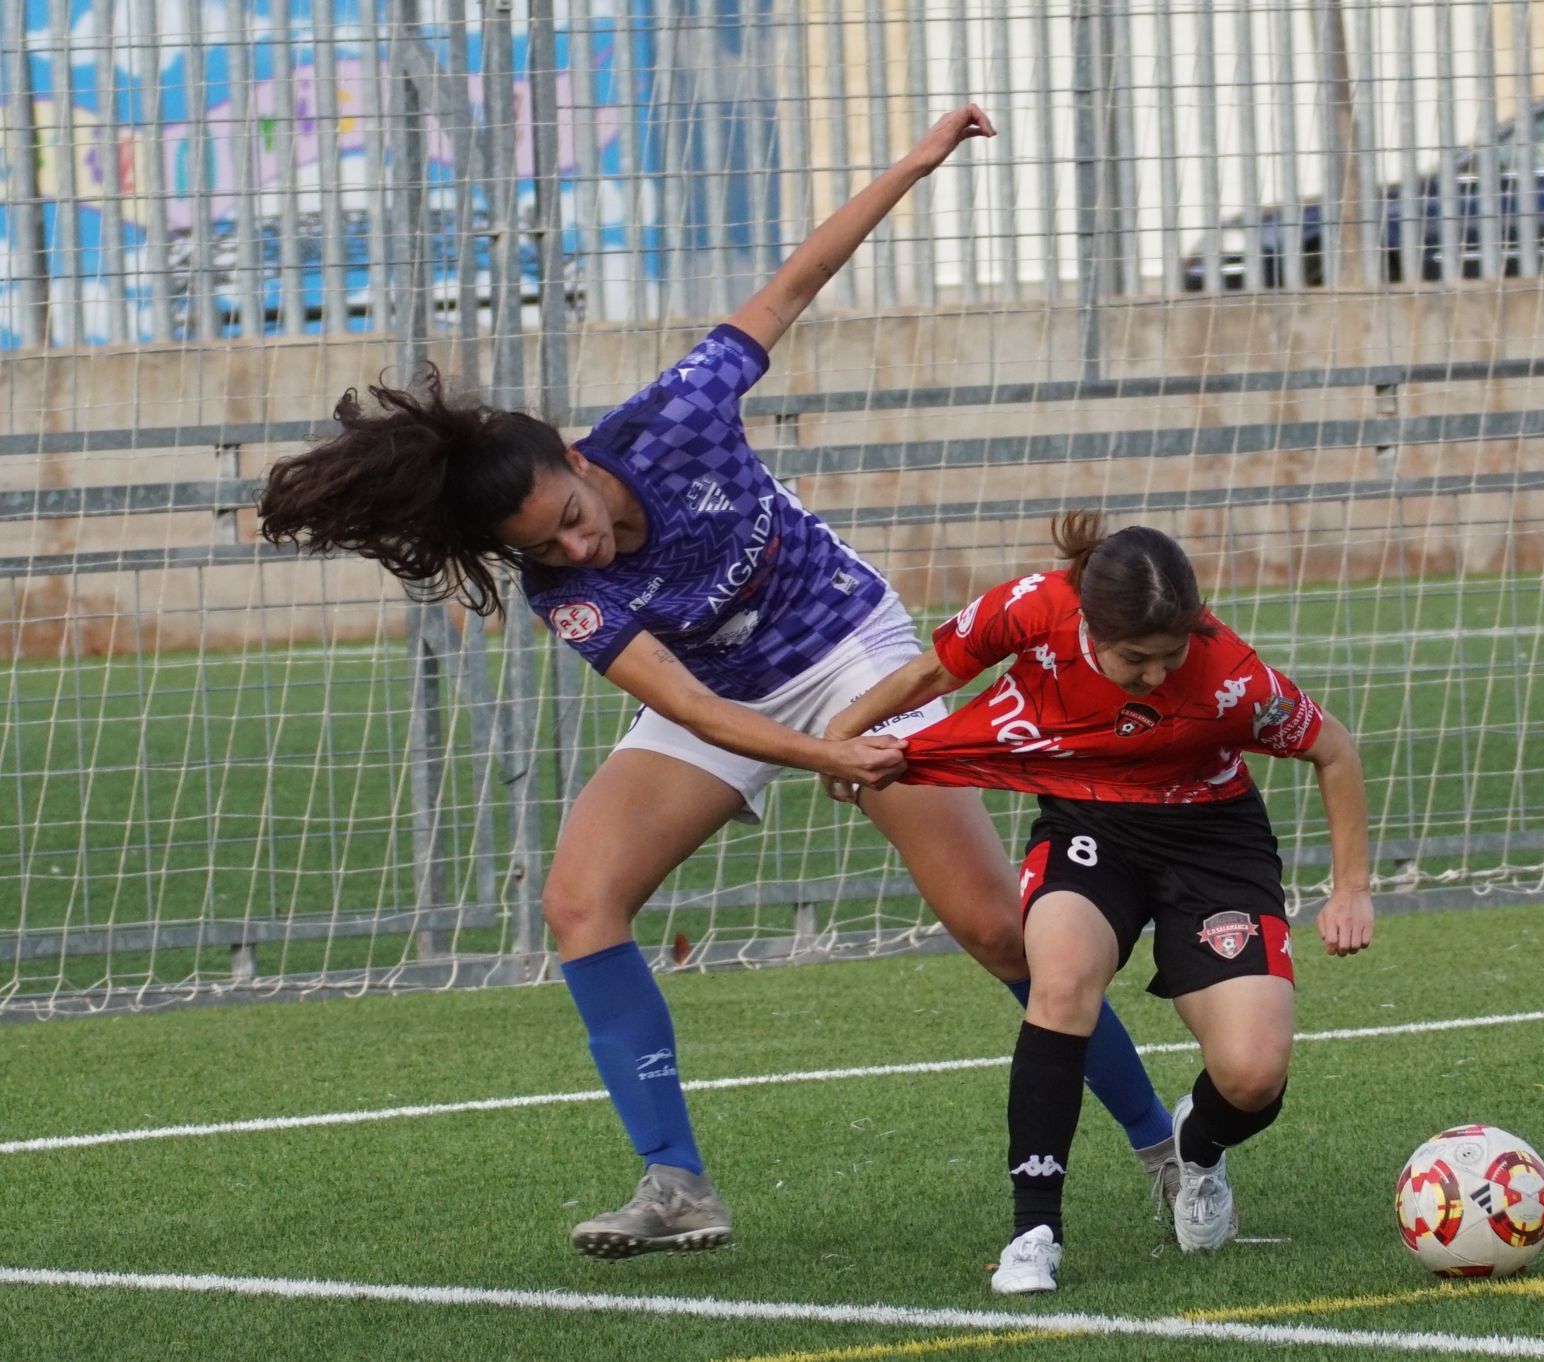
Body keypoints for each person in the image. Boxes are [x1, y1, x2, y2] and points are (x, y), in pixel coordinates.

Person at [255, 106, 1177, 1261]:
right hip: (722, 696)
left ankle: (1160, 1143)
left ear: (579, 461)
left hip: (851, 655)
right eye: (547, 549)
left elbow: (798, 279)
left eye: (575, 520)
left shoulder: (679, 413)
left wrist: (916, 158)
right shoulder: (564, 594)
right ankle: (676, 1184)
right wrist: (824, 758)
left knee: (997, 929)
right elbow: (688, 708)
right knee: (579, 902)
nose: (579, 550)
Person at [825, 512, 1375, 1293]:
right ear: (1088, 623)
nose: (1156, 675)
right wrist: (840, 735)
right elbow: (934, 674)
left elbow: (1334, 748)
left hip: (1211, 841)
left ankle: (1201, 1148)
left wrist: (1350, 889)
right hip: (1089, 822)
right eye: (1136, 659)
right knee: (1059, 980)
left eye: (1171, 654)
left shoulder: (1229, 676)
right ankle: (1035, 1231)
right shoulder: (1030, 608)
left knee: (1253, 1076)